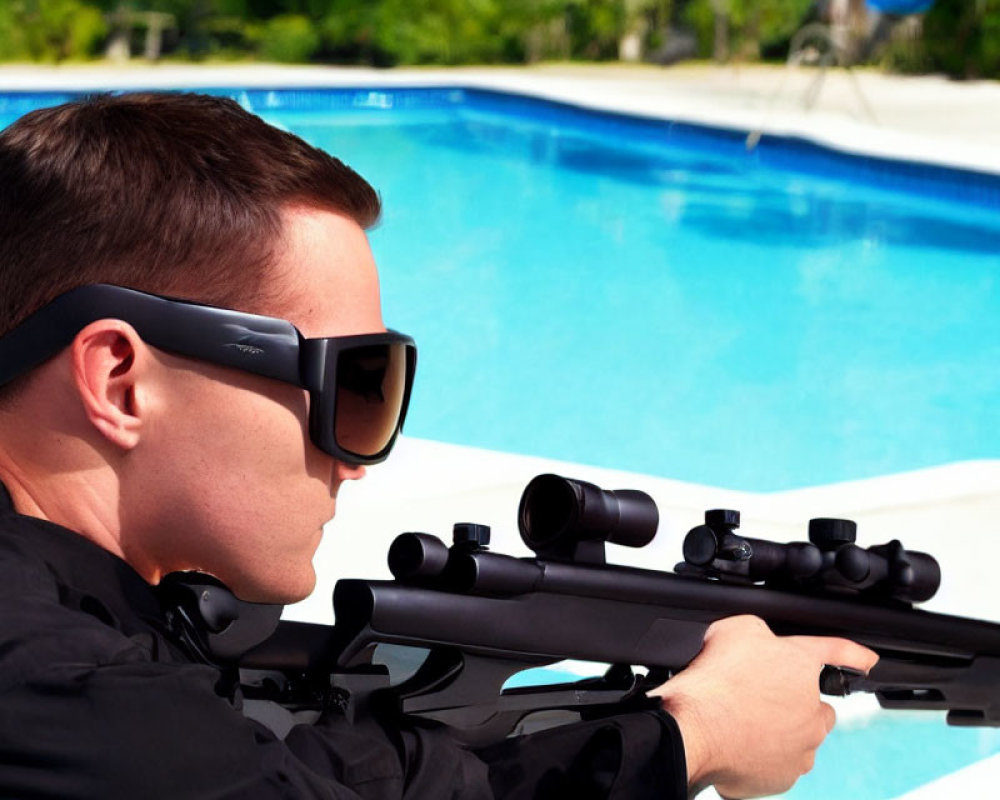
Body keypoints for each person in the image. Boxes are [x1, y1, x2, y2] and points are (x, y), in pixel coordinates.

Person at [0, 92, 877, 799]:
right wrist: (698, 737)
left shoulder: (90, 624)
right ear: (120, 379)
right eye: (353, 383)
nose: (358, 457)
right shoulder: (61, 683)